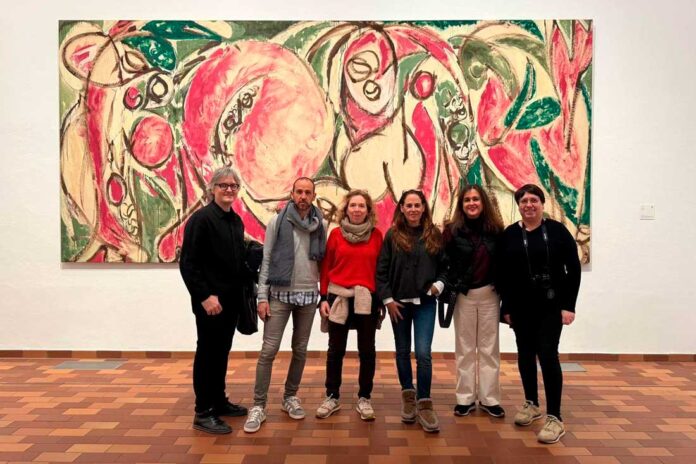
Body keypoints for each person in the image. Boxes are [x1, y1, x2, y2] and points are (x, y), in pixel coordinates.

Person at [497, 184, 581, 444]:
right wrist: (506, 308)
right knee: (525, 354)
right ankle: (531, 404)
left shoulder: (557, 231)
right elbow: (503, 274)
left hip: (551, 306)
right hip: (520, 307)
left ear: (542, 204)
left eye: (534, 200)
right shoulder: (510, 234)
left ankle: (555, 417)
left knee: (547, 355)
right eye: (524, 201)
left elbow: (573, 269)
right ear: (518, 206)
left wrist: (569, 306)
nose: (529, 205)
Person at [244, 177, 327, 433]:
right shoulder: (276, 222)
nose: (303, 196)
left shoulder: (321, 224)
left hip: (308, 296)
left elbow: (324, 263)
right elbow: (267, 259)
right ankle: (258, 405)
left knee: (300, 350)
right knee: (268, 351)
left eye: (307, 192)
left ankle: (290, 396)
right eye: (299, 192)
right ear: (292, 194)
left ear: (313, 196)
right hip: (279, 295)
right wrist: (262, 297)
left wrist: (324, 296)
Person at [179, 166, 248, 434]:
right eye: (223, 185)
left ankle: (218, 401)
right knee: (208, 354)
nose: (229, 189)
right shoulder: (201, 219)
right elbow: (188, 264)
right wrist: (204, 296)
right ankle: (203, 411)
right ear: (213, 189)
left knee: (221, 352)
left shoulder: (235, 221)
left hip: (230, 302)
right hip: (210, 303)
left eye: (233, 186)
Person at [376, 189, 445, 433]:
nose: (413, 209)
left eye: (417, 205)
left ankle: (424, 403)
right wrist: (387, 300)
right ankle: (408, 397)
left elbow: (445, 267)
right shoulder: (392, 236)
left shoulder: (434, 234)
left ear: (424, 208)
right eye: (409, 205)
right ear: (402, 209)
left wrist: (439, 285)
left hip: (426, 304)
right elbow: (381, 271)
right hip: (399, 306)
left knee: (423, 353)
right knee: (402, 351)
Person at [316, 190, 384, 421]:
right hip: (338, 297)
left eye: (361, 206)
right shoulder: (335, 235)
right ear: (346, 209)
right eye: (353, 205)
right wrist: (323, 298)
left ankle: (364, 398)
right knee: (335, 350)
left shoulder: (377, 236)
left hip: (367, 298)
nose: (357, 209)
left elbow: (381, 270)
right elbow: (326, 267)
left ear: (368, 210)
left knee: (367, 351)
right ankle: (332, 396)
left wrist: (381, 300)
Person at [443, 184, 505, 418]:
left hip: (490, 295)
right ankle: (465, 398)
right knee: (465, 348)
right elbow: (444, 262)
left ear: (483, 202)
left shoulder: (496, 230)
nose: (472, 203)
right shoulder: (452, 231)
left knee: (489, 349)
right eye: (467, 200)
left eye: (476, 199)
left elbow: (504, 261)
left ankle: (490, 399)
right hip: (464, 296)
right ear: (461, 205)